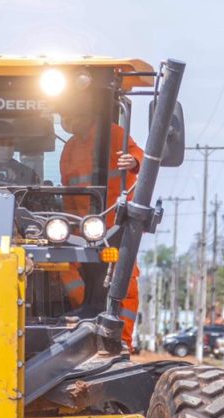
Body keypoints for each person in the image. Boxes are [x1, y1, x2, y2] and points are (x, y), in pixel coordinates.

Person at [58, 111, 144, 349]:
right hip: (82, 228)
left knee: (123, 283)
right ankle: (83, 313)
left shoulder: (113, 134)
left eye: (68, 110)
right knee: (62, 267)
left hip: (114, 225)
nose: (66, 118)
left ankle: (119, 343)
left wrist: (134, 162)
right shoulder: (70, 149)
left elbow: (139, 155)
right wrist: (70, 229)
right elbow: (69, 195)